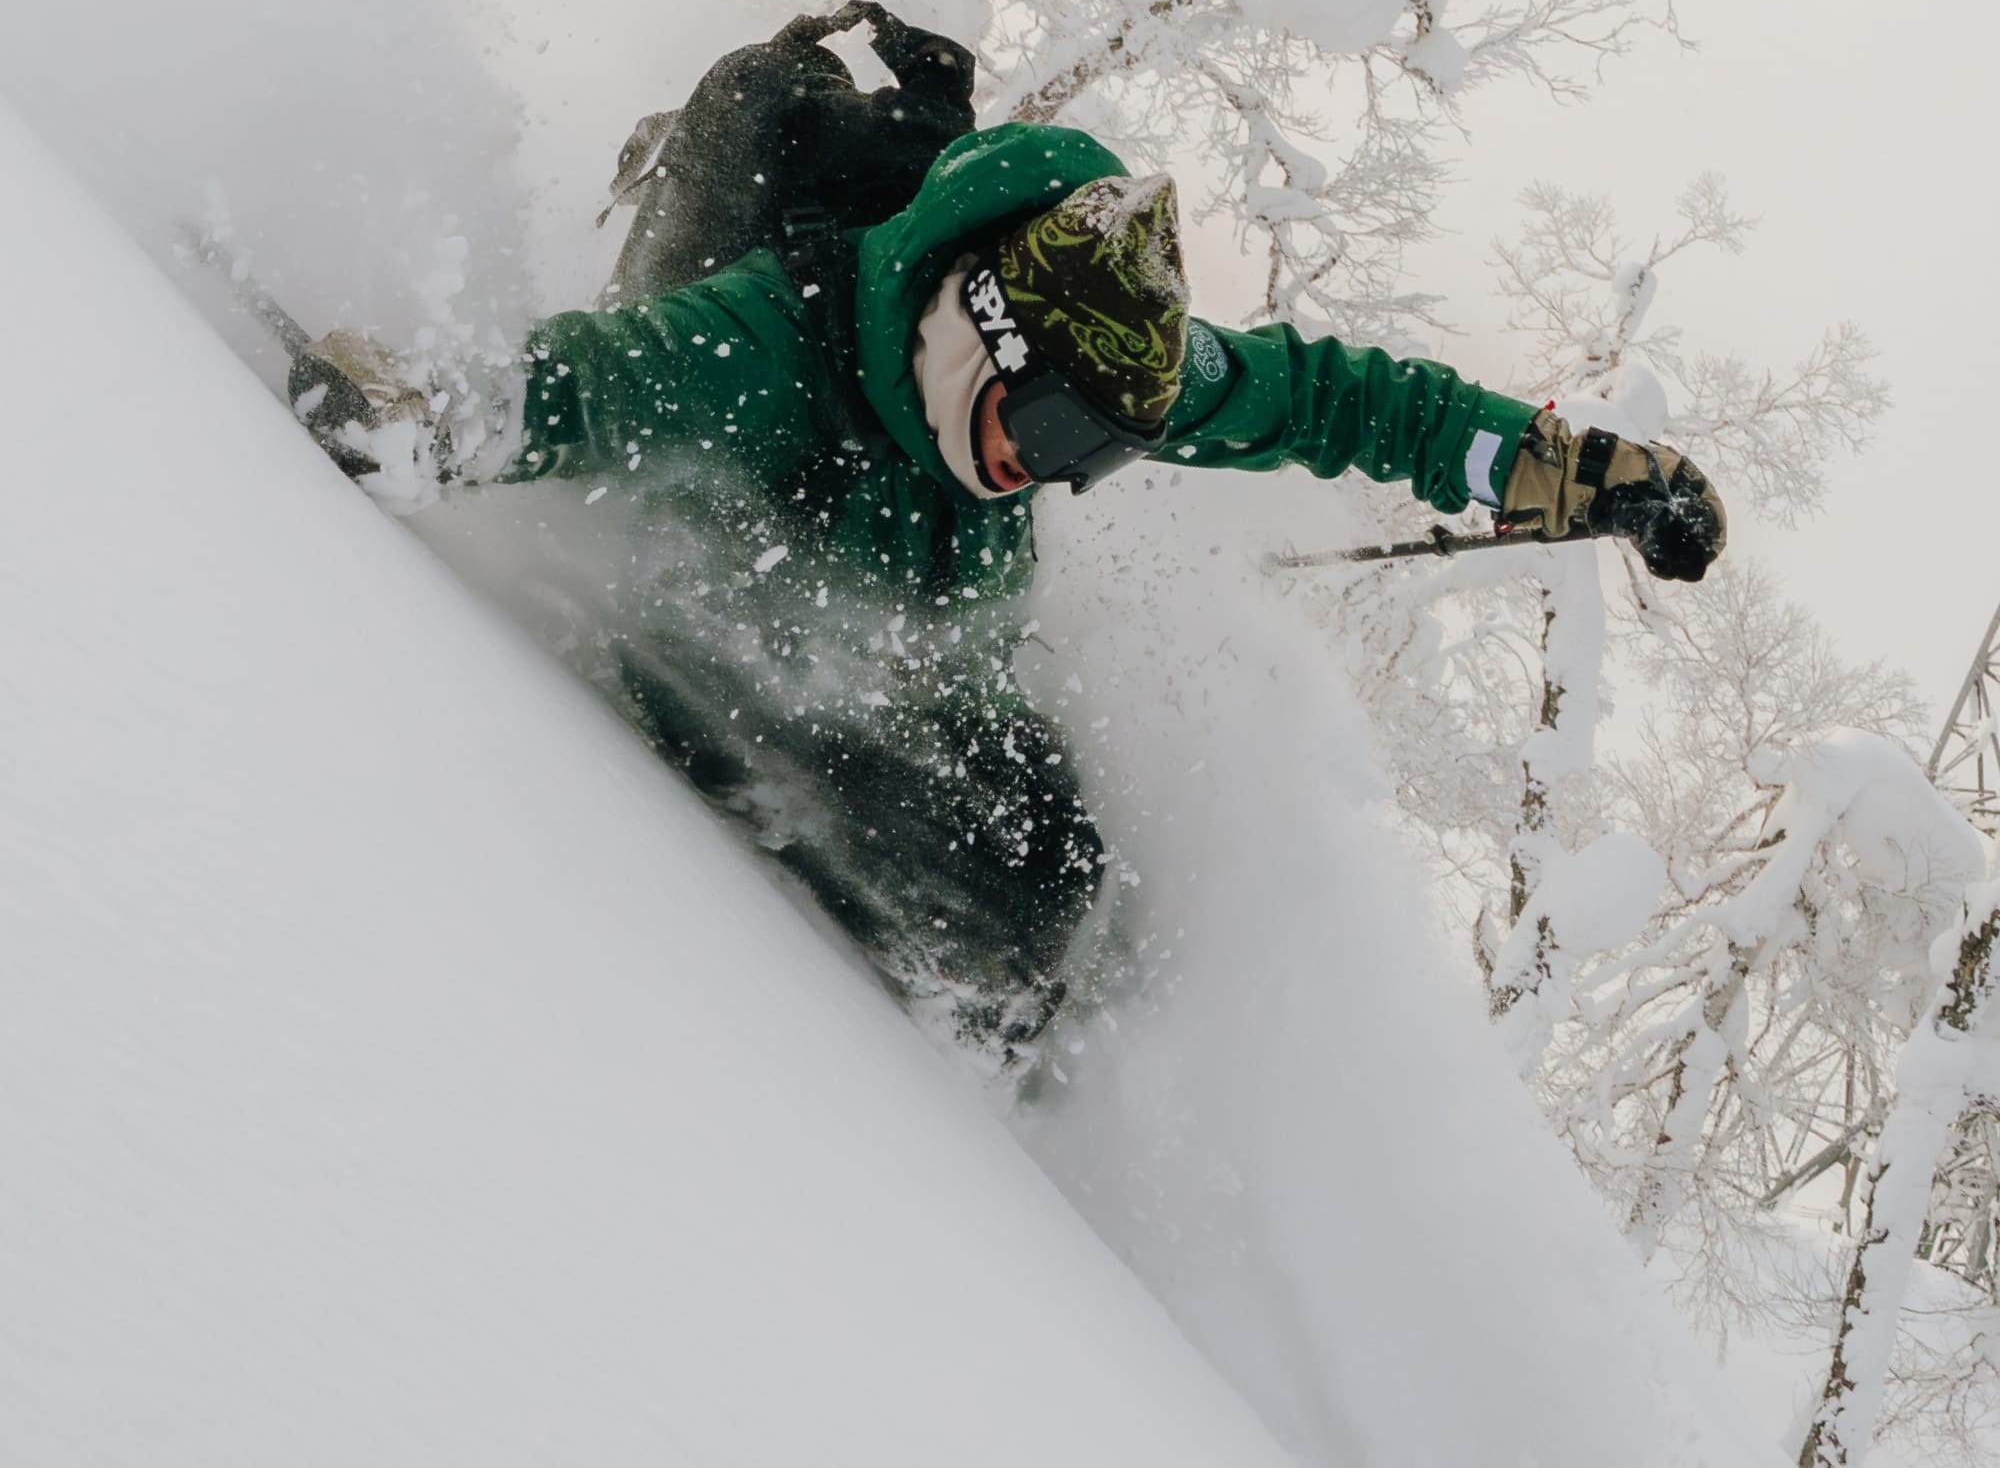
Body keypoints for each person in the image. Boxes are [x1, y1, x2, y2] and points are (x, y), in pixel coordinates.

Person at [296, 115, 1725, 1063]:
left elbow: (1340, 401)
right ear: (977, 340)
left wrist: (1569, 472)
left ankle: (993, 1091)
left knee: (1073, 898)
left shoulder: (1089, 367)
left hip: (920, 681)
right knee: (967, 867)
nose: (1060, 474)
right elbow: (578, 388)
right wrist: (416, 412)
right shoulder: (772, 343)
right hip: (728, 656)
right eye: (1051, 439)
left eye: (1102, 455)